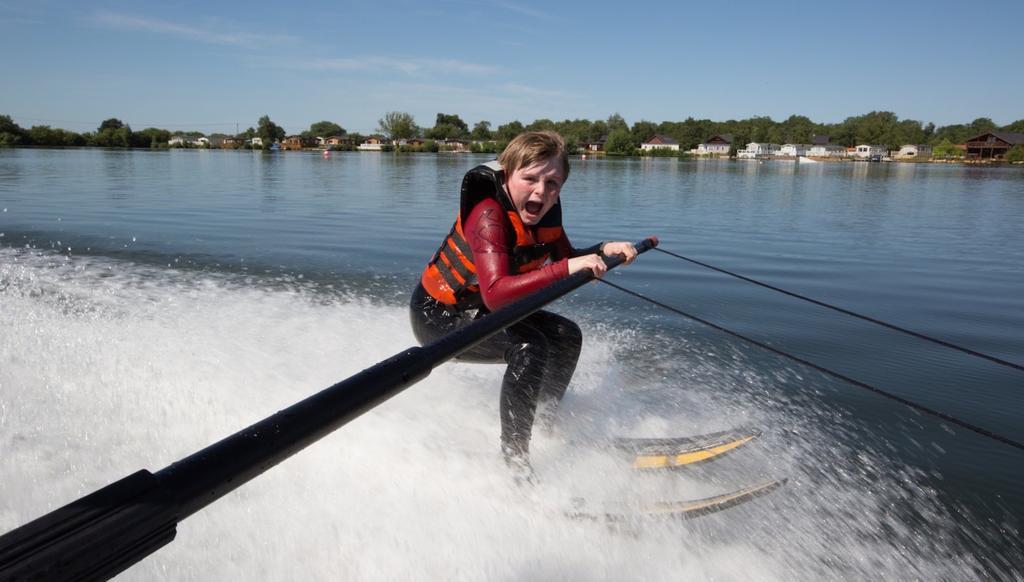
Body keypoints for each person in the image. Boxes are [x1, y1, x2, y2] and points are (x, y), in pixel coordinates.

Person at [409, 130, 638, 478]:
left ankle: (546, 424)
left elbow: (567, 258)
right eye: (529, 179)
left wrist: (604, 249)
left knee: (566, 335)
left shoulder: (545, 213)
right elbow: (497, 293)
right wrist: (568, 267)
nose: (540, 192)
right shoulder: (489, 216)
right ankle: (515, 461)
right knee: (530, 347)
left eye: (552, 183)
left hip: (484, 310)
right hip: (440, 316)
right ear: (506, 175)